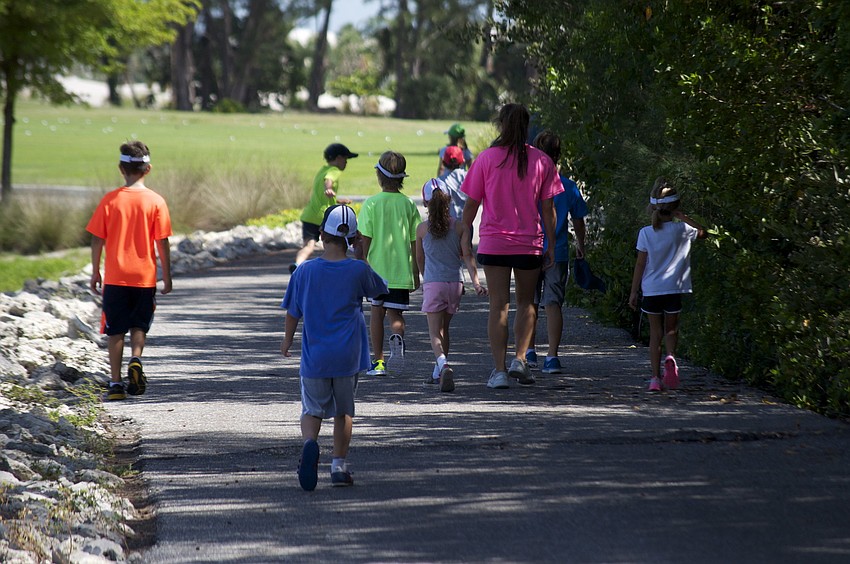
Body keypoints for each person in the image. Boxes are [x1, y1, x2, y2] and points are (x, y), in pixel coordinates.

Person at [281, 204, 388, 490]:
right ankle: (339, 466)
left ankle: (309, 444)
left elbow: (293, 311)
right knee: (343, 412)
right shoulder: (356, 270)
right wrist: (362, 257)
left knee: (312, 409)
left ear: (321, 234)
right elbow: (380, 289)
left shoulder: (304, 272)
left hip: (315, 356)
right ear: (353, 239)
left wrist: (287, 340)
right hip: (348, 355)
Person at [460, 103, 563, 389]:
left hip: (494, 244)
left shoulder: (486, 159)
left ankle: (499, 370)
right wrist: (552, 246)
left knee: (498, 306)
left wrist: (464, 234)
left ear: (501, 125)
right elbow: (549, 210)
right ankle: (520, 359)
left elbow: (471, 204)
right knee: (527, 303)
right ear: (527, 126)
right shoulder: (543, 161)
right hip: (529, 244)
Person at [86, 141, 173, 401]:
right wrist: (166, 275)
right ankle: (136, 358)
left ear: (120, 168)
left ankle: (115, 384)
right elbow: (163, 241)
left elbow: (96, 239)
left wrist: (95, 271)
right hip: (144, 278)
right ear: (148, 169)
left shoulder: (110, 200)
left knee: (115, 331)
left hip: (115, 277)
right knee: (139, 326)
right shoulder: (156, 201)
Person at [628, 177, 708, 392]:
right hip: (675, 288)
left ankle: (655, 378)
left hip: (652, 290)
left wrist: (634, 291)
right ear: (675, 207)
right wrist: (684, 217)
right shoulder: (682, 229)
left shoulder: (646, 232)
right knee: (671, 330)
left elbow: (640, 264)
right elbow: (703, 234)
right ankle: (671, 357)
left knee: (655, 334)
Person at [415, 178, 487, 392]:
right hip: (455, 284)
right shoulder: (460, 227)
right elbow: (467, 256)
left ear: (426, 203)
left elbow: (420, 259)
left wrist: (424, 277)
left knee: (434, 333)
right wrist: (476, 283)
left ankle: (443, 364)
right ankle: (438, 372)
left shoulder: (422, 229)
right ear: (448, 201)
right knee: (445, 329)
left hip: (434, 283)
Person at [526, 131, 587, 374]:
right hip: (558, 252)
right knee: (553, 304)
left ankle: (528, 351)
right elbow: (579, 220)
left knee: (528, 302)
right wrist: (581, 244)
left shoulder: (528, 185)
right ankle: (552, 356)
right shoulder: (568, 186)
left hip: (529, 250)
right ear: (559, 155)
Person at [358, 151, 422, 376]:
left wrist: (362, 264)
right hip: (401, 271)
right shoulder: (408, 205)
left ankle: (379, 362)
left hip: (376, 273)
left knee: (377, 313)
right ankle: (398, 339)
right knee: (396, 315)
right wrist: (416, 273)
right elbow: (416, 241)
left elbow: (364, 239)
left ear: (379, 175)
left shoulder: (371, 204)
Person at [290, 143, 358, 273]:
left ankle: (297, 265)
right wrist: (329, 189)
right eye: (345, 159)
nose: (346, 163)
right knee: (333, 243)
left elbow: (321, 193)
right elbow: (329, 180)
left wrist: (337, 200)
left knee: (308, 246)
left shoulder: (322, 170)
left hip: (309, 215)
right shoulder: (334, 171)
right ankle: (331, 267)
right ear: (338, 158)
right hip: (324, 216)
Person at [437, 145, 468, 221]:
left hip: (447, 224)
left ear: (444, 163)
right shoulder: (468, 177)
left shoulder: (440, 181)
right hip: (465, 221)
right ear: (463, 161)